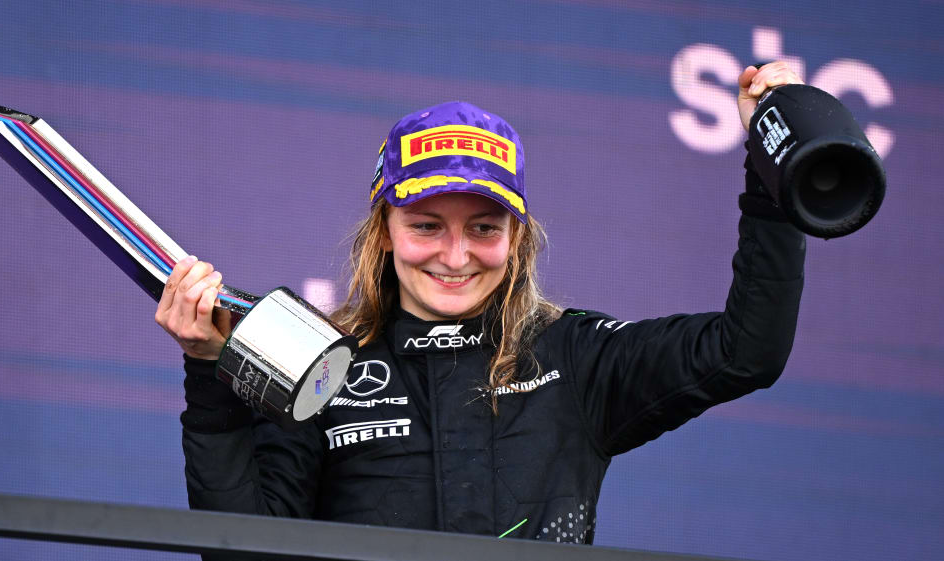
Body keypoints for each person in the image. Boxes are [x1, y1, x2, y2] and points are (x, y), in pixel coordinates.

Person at [156, 62, 806, 546]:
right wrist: (212, 375)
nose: (456, 254)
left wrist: (771, 168)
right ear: (384, 229)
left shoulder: (571, 355)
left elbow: (744, 352)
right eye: (427, 225)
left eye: (484, 228)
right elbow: (248, 552)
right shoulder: (319, 361)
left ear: (516, 237)